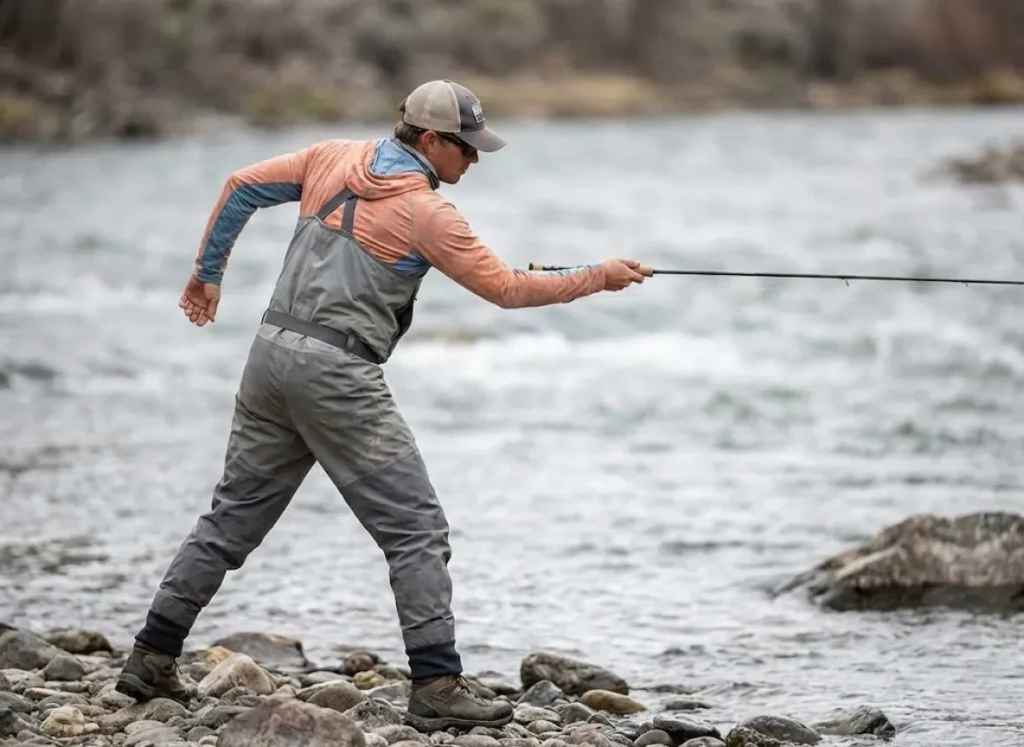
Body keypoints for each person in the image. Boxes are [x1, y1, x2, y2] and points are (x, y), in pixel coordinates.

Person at [114, 78, 651, 731]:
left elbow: (239, 187)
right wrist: (599, 276)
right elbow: (508, 289)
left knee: (229, 522)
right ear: (429, 139)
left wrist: (207, 274)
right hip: (337, 377)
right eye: (466, 147)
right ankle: (437, 684)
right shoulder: (429, 214)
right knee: (417, 530)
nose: (473, 159)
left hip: (269, 359)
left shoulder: (329, 158)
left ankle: (150, 656)